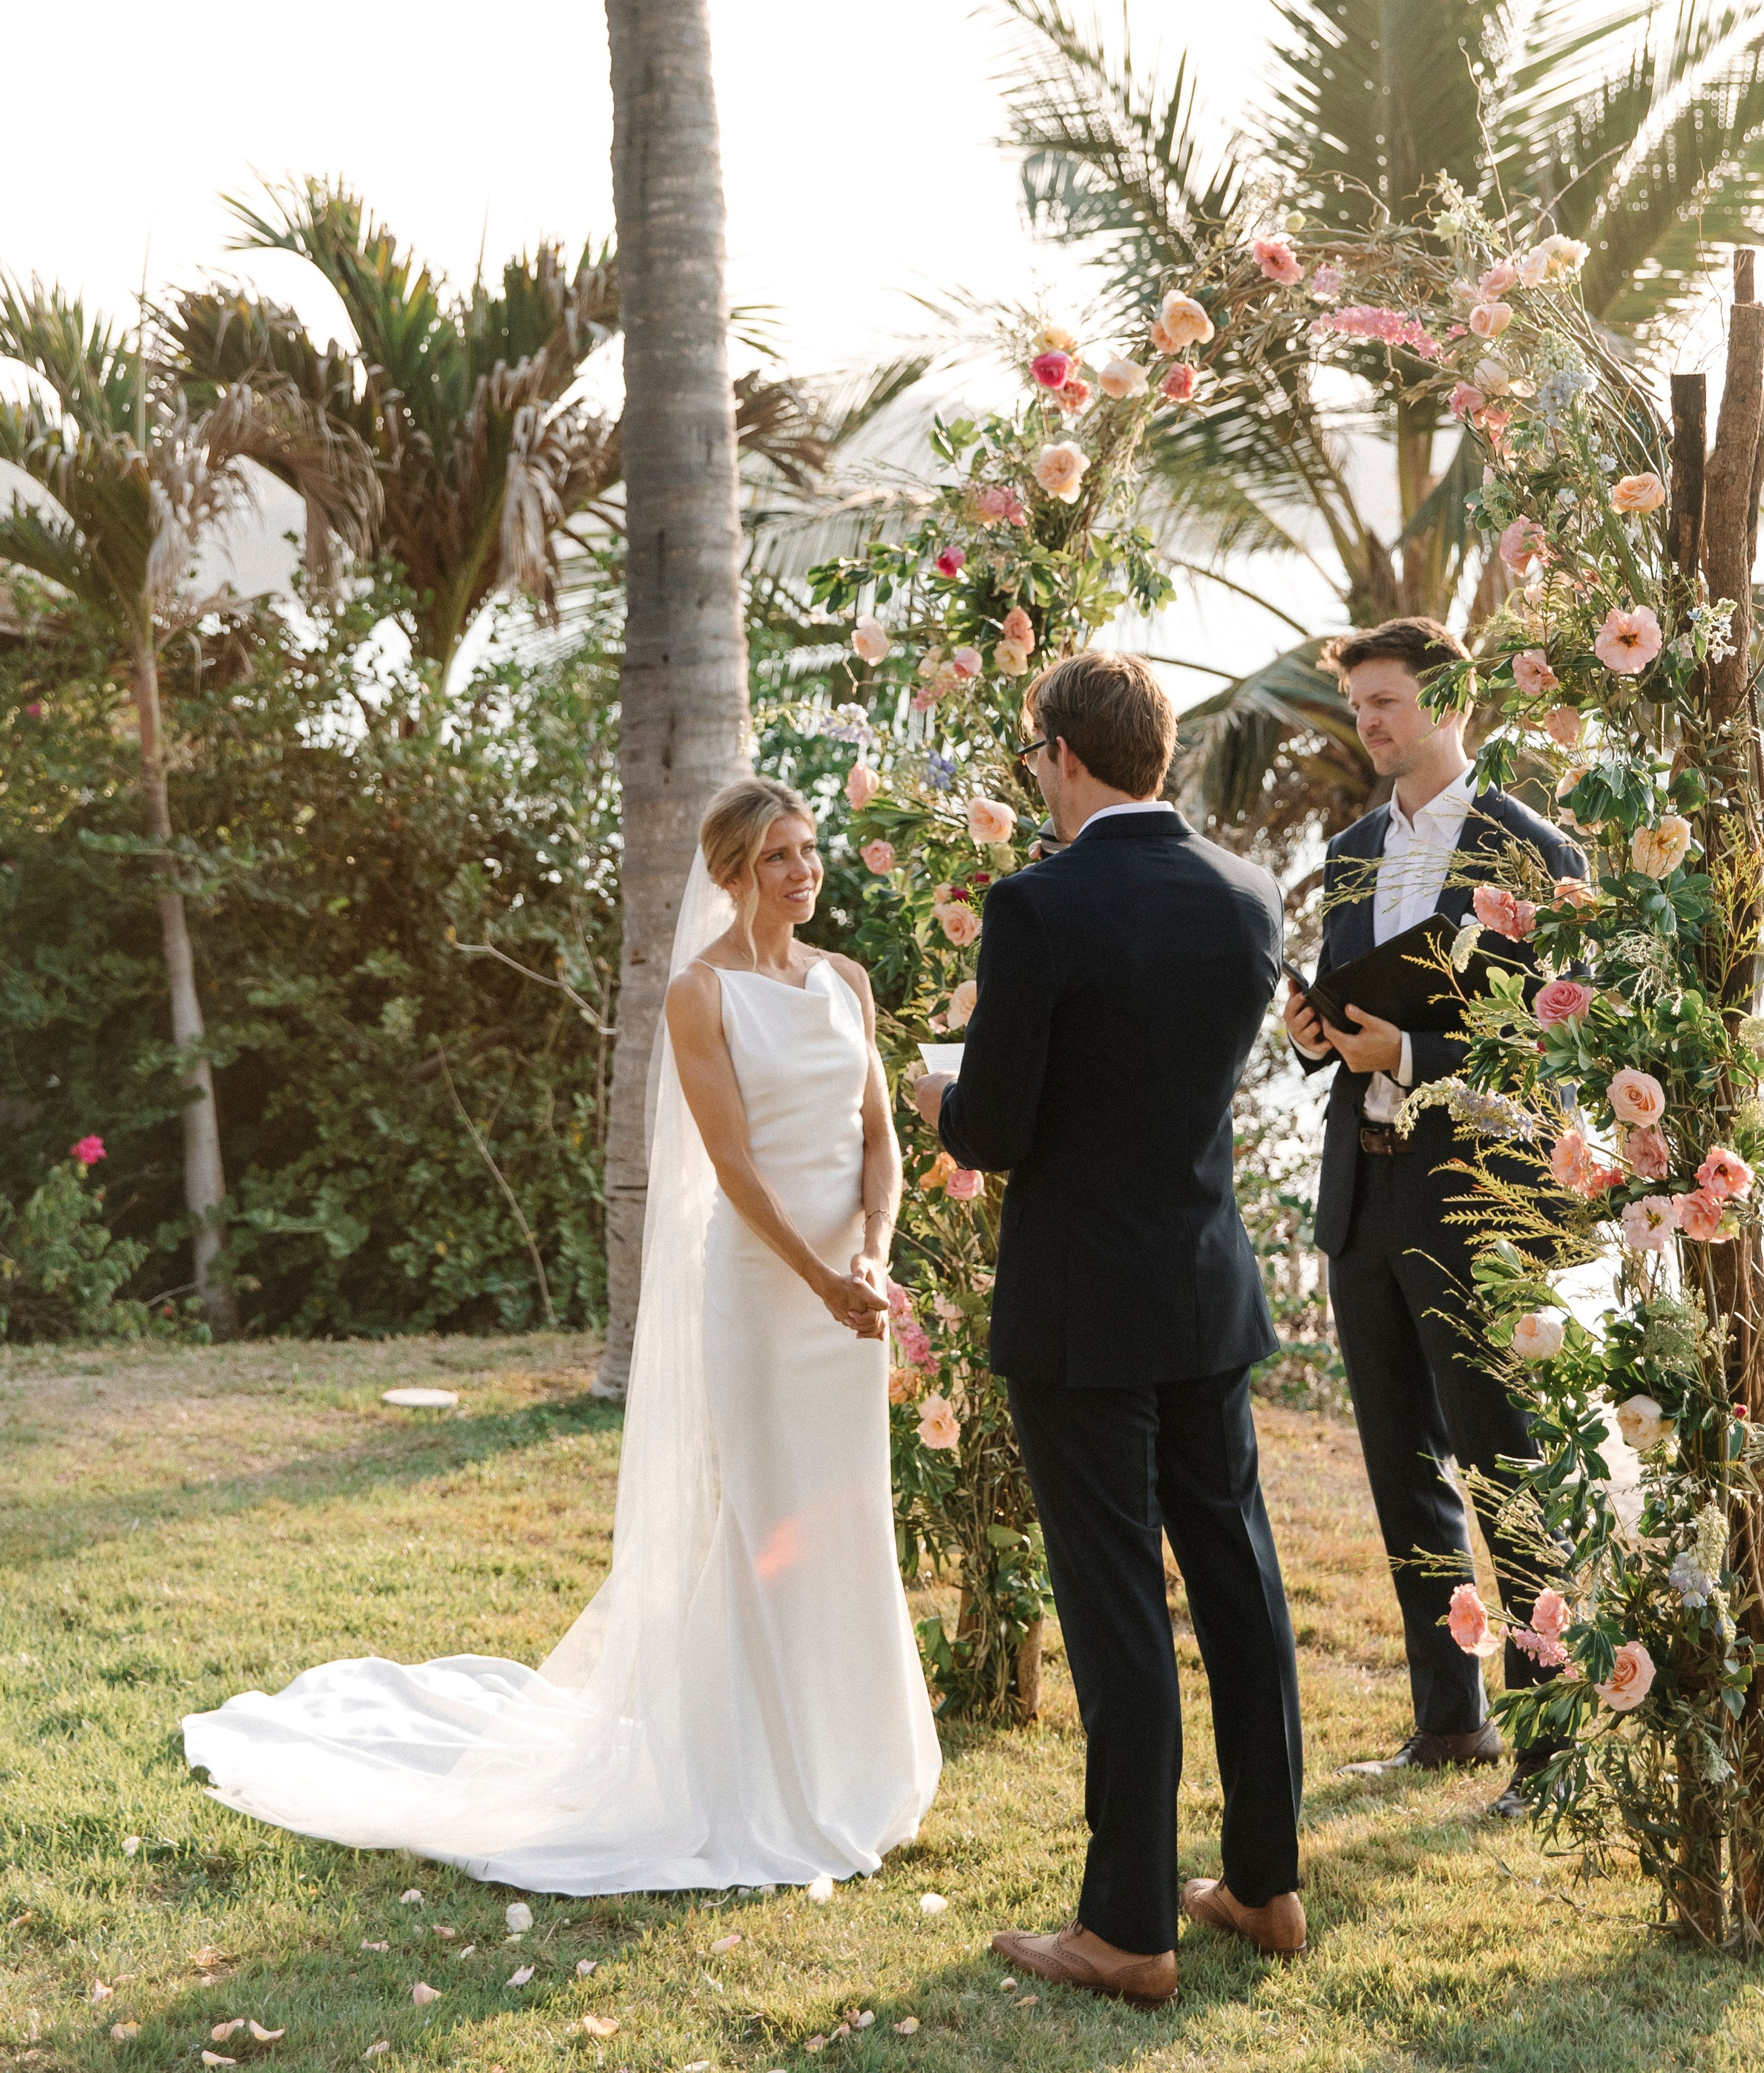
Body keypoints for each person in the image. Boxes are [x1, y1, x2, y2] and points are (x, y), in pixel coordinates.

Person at [183, 776, 940, 1891]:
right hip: (769, 1290)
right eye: (780, 855)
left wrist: (870, 1256)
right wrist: (818, 1274)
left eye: (811, 849)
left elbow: (877, 1138)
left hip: (849, 1303)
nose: (804, 870)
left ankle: (856, 1768)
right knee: (768, 1518)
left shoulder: (848, 983)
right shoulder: (700, 994)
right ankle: (763, 1785)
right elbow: (732, 1168)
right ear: (733, 871)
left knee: (844, 1517)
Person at [913, 651, 1305, 2008]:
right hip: (1206, 1283)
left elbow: (1002, 1127)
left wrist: (940, 1102)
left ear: (1065, 756)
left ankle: (1131, 1926)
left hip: (1083, 1304)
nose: (1037, 776)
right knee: (1239, 1578)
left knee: (1120, 1600)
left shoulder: (1038, 905)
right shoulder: (1250, 896)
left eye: (1036, 756)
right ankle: (1263, 1881)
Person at [1282, 618, 1584, 1817]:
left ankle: (1554, 1745)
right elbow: (1345, 989)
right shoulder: (1355, 845)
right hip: (1362, 1180)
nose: (1370, 723)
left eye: (1388, 701)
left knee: (1503, 1465)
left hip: (1478, 1196)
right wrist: (1320, 1037)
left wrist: (1414, 1044)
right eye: (1359, 704)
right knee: (1402, 1462)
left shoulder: (1532, 844)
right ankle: (1448, 1722)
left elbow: (1563, 1037)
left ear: (1453, 700)